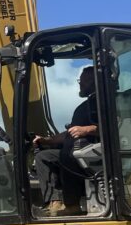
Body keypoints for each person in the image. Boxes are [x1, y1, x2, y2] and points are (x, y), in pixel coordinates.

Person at [33, 66, 99, 216]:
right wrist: (46, 140)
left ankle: (72, 204)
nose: (80, 84)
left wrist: (88, 129)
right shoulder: (85, 106)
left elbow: (115, 126)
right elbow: (68, 134)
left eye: (84, 81)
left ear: (94, 80)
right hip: (76, 149)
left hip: (93, 151)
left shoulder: (106, 102)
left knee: (68, 154)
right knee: (44, 157)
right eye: (80, 80)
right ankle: (55, 201)